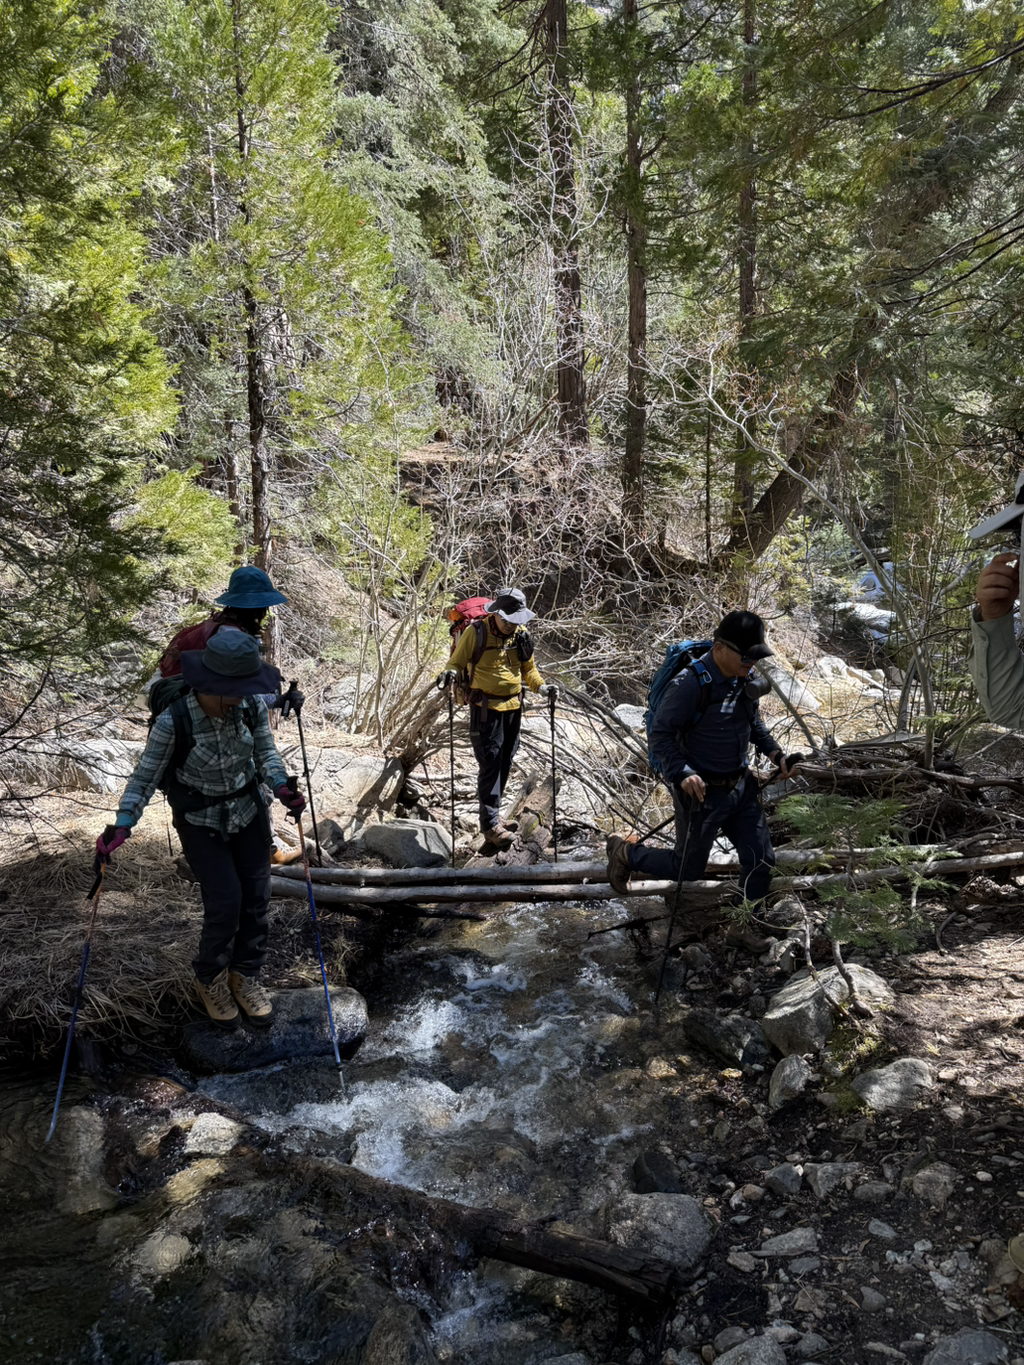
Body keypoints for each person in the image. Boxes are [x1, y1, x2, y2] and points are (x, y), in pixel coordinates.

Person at [95, 631, 307, 1028]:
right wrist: (123, 823)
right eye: (233, 690)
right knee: (226, 902)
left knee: (257, 899)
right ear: (208, 684)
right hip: (199, 820)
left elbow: (266, 754)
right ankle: (209, 980)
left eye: (245, 688)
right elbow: (144, 778)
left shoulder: (248, 707)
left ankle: (245, 976)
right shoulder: (173, 721)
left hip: (248, 812)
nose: (240, 697)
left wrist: (281, 787)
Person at [606, 610, 798, 952]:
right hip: (700, 793)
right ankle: (625, 853)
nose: (753, 663)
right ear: (720, 648)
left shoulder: (744, 677)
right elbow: (661, 735)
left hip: (740, 787)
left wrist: (776, 755)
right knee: (688, 868)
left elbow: (754, 725)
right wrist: (683, 772)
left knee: (761, 860)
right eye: (747, 656)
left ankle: (741, 926)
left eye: (756, 656)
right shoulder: (689, 685)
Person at [157, 564, 304, 863]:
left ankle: (254, 846)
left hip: (193, 715)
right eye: (262, 606)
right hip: (209, 718)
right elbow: (239, 692)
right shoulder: (233, 637)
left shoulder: (214, 627)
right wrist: (280, 700)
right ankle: (267, 847)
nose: (264, 613)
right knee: (249, 775)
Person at [442, 587, 557, 850]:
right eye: (507, 620)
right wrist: (448, 674)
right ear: (496, 614)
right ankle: (490, 826)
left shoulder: (521, 635)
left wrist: (542, 688)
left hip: (513, 707)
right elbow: (456, 663)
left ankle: (495, 817)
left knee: (505, 760)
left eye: (516, 620)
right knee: (490, 763)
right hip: (485, 709)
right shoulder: (476, 632)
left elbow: (529, 670)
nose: (511, 625)